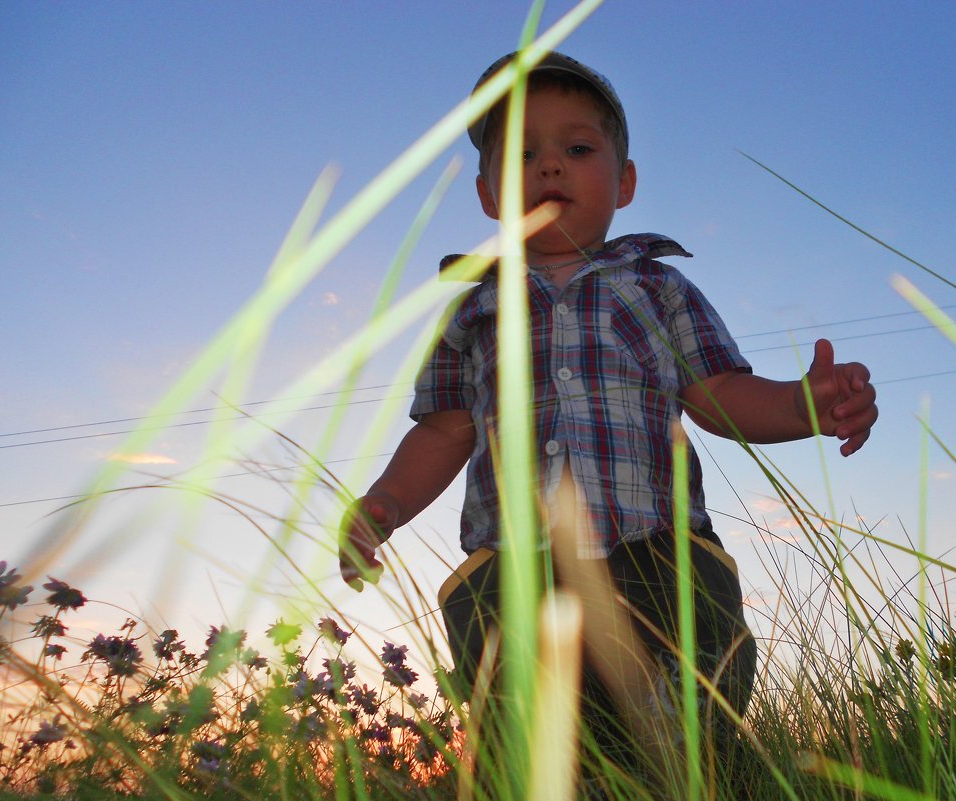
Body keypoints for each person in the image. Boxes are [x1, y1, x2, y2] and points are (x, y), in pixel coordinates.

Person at [340, 51, 878, 788]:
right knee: (522, 748)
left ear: (624, 184)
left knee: (690, 731)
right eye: (523, 154)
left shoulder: (657, 287)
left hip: (656, 558)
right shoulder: (474, 309)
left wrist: (801, 404)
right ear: (489, 195)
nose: (550, 166)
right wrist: (386, 504)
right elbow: (443, 429)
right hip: (514, 572)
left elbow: (719, 388)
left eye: (578, 148)